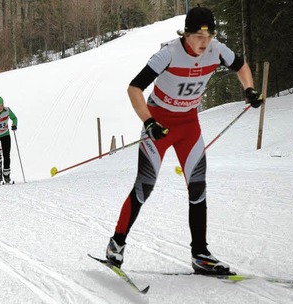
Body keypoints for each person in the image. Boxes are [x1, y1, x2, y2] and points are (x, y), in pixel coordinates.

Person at [105, 6, 263, 275]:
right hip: (160, 124)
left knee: (198, 187)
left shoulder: (217, 50)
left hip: (189, 125)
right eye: (198, 37)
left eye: (209, 36)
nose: (204, 42)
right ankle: (116, 244)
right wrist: (148, 121)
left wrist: (248, 89)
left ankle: (200, 254)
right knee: (145, 187)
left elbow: (241, 65)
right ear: (186, 34)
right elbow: (134, 88)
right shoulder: (168, 53)